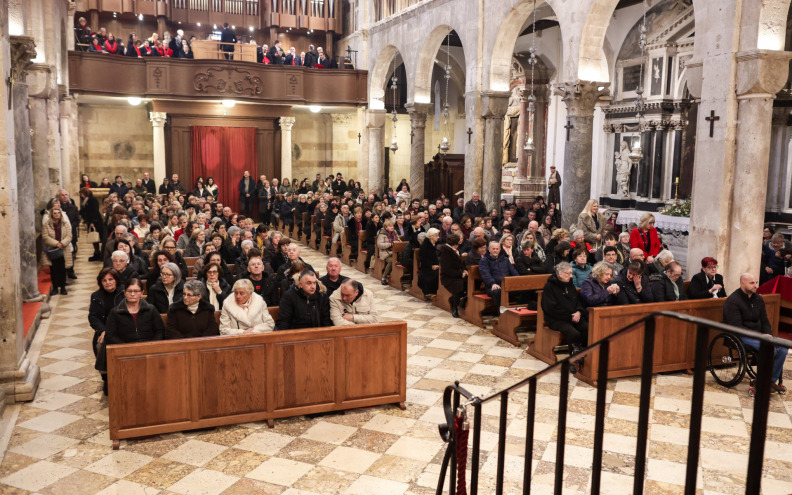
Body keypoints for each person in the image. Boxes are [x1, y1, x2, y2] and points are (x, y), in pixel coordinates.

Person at [723, 273, 787, 393]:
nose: (756, 286)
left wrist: (768, 334)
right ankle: (765, 381)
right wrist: (759, 336)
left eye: (756, 282)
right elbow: (736, 327)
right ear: (742, 283)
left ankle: (769, 381)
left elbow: (765, 321)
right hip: (741, 336)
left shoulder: (758, 299)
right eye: (752, 283)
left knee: (783, 348)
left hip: (759, 335)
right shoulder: (733, 301)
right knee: (769, 349)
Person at [101, 278, 165, 393]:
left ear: (141, 293)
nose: (132, 294)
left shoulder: (151, 309)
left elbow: (159, 331)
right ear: (124, 293)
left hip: (149, 351)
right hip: (125, 352)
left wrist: (152, 346)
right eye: (130, 291)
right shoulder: (115, 312)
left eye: (136, 291)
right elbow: (110, 335)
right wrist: (127, 348)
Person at [541, 262, 587, 368]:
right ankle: (572, 360)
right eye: (568, 273)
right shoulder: (550, 286)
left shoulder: (569, 283)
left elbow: (577, 301)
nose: (571, 276)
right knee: (574, 333)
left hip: (573, 316)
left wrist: (579, 312)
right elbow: (550, 309)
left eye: (571, 273)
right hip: (556, 319)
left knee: (587, 328)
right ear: (560, 273)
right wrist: (570, 316)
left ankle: (584, 354)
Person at [89, 268, 124, 360]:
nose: (108, 282)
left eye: (110, 279)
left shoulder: (124, 292)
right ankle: (105, 373)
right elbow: (93, 317)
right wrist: (103, 330)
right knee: (101, 344)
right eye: (104, 280)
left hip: (123, 328)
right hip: (105, 329)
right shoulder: (96, 296)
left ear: (116, 280)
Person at [41, 206, 73, 295]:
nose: (57, 214)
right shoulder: (47, 225)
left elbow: (69, 236)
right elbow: (45, 237)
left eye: (58, 213)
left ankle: (63, 287)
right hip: (52, 250)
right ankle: (55, 288)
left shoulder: (65, 224)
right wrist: (56, 244)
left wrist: (62, 243)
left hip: (63, 249)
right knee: (54, 270)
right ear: (51, 214)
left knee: (62, 270)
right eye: (55, 213)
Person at [479, 241, 519, 308]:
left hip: (508, 285)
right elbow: (485, 274)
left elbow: (514, 272)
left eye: (497, 249)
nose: (495, 251)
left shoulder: (505, 260)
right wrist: (493, 283)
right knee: (498, 292)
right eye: (493, 249)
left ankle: (516, 311)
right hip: (493, 286)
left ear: (500, 249)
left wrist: (519, 281)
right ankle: (501, 313)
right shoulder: (484, 260)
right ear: (489, 249)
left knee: (525, 290)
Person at [439, 233, 468, 318]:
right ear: (454, 243)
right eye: (458, 243)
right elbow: (447, 269)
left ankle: (460, 302)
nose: (459, 244)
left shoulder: (457, 250)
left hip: (458, 275)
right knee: (458, 286)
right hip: (448, 277)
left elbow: (461, 263)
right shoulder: (445, 252)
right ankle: (454, 308)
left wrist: (464, 270)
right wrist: (460, 274)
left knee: (469, 283)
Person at [418, 228, 441, 296]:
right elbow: (423, 259)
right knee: (436, 274)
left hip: (436, 265)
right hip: (427, 268)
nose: (438, 237)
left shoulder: (436, 244)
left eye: (438, 235)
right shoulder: (425, 246)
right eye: (436, 235)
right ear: (431, 236)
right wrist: (431, 266)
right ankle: (433, 291)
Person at [377, 219, 399, 285]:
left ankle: (396, 276)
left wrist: (399, 243)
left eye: (392, 226)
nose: (392, 227)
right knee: (392, 261)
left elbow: (399, 240)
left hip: (395, 252)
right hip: (386, 253)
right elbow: (380, 245)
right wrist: (391, 244)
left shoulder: (394, 232)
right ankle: (384, 277)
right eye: (390, 226)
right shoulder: (382, 234)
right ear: (386, 227)